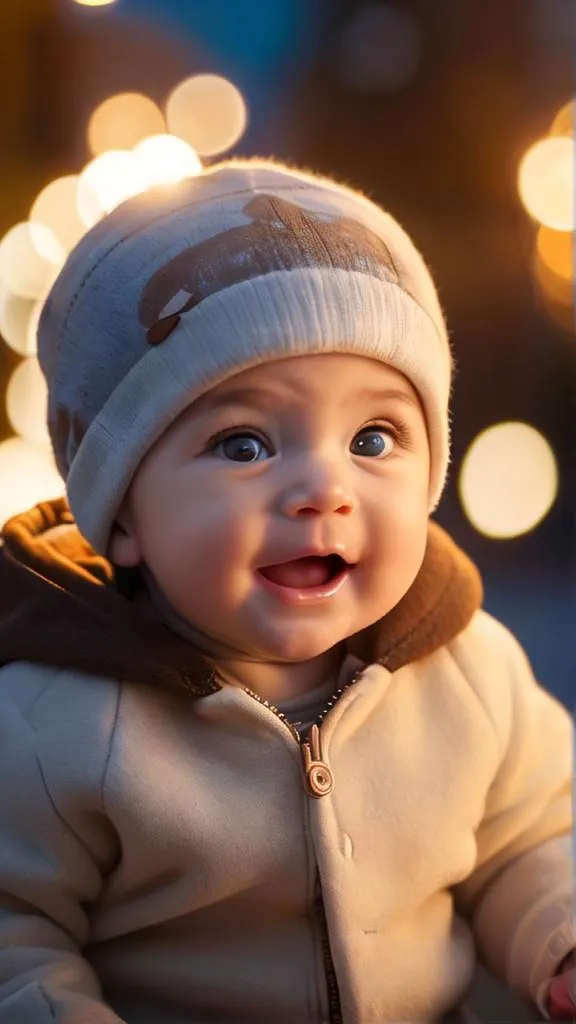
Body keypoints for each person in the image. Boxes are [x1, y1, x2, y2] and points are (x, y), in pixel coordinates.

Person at [0, 159, 572, 1024]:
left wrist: (559, 934)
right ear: (121, 514)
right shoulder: (57, 718)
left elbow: (529, 838)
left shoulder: (468, 671)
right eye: (243, 445)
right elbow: (15, 935)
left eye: (374, 437)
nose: (323, 489)